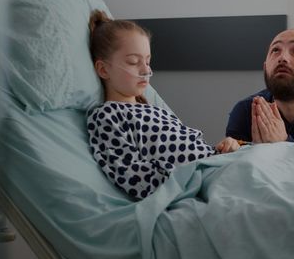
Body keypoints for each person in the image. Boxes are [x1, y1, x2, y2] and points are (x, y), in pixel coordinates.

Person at [86, 10, 240, 200]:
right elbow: (132, 175)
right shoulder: (107, 115)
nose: (146, 69)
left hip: (215, 164)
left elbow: (190, 147)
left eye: (148, 61)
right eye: (133, 62)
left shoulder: (156, 111)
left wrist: (225, 148)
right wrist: (189, 180)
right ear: (103, 69)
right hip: (200, 180)